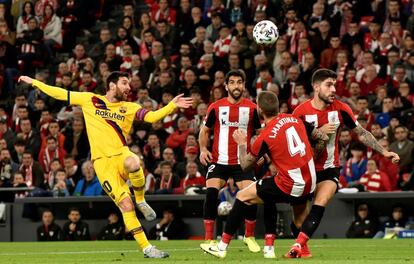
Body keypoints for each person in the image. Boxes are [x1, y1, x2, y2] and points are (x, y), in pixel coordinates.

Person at [18, 71, 193, 258]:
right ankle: (147, 248)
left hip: (121, 154)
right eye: (125, 83)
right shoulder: (90, 100)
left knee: (133, 162)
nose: (129, 87)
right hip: (102, 164)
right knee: (126, 205)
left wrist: (171, 106)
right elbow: (60, 93)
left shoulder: (130, 107)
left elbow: (152, 117)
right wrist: (35, 82)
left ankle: (141, 200)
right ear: (112, 85)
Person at [287, 69, 400, 258]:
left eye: (334, 85)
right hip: (305, 169)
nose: (333, 89)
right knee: (299, 219)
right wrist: (317, 132)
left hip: (330, 167)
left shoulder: (341, 108)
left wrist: (384, 151)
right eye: (328, 85)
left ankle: (298, 245)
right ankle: (302, 247)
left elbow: (362, 133)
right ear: (316, 87)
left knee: (321, 202)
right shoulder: (300, 112)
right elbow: (292, 143)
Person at [200, 91, 323, 258]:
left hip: (290, 183)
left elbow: (244, 165)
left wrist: (242, 144)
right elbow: (321, 136)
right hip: (310, 180)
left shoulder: (265, 135)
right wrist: (314, 155)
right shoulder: (295, 119)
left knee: (243, 195)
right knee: (297, 217)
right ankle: (292, 250)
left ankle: (221, 247)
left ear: (259, 109)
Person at [198, 69, 261, 253]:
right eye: (232, 82)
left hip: (242, 163)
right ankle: (209, 240)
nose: (236, 86)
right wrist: (203, 149)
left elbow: (259, 134)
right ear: (226, 86)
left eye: (239, 82)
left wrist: (258, 152)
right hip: (219, 160)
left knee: (250, 197)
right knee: (211, 194)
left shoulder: (251, 108)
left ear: (244, 85)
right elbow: (204, 131)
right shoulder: (216, 107)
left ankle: (249, 237)